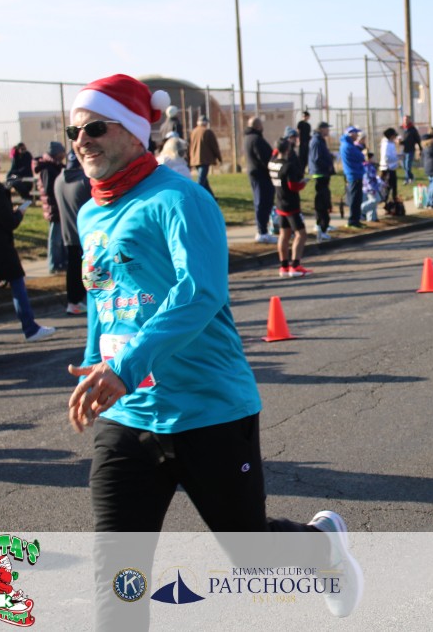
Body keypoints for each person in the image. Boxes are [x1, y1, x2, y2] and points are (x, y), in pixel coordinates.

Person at [63, 74, 361, 629]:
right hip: (129, 418)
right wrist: (96, 366)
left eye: (96, 128)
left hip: (208, 409)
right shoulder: (90, 212)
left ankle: (323, 547)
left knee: (252, 554)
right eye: (74, 130)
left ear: (133, 131)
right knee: (117, 578)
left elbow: (198, 292)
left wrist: (124, 367)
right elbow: (103, 298)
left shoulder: (180, 199)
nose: (82, 140)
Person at [0, 154, 56, 342]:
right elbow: (9, 222)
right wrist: (19, 213)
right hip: (1, 247)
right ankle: (30, 328)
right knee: (17, 284)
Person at [269, 127, 312, 277]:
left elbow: (274, 155)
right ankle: (295, 265)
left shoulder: (272, 163)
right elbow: (293, 186)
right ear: (288, 149)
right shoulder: (288, 166)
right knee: (301, 234)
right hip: (291, 204)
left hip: (280, 202)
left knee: (284, 234)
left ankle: (284, 266)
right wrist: (303, 183)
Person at [54, 151, 91, 315]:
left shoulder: (58, 180)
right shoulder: (85, 181)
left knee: (73, 267)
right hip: (85, 233)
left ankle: (73, 301)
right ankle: (76, 301)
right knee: (85, 269)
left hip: (67, 231)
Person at [34, 141, 68, 274]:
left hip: (57, 206)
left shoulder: (54, 167)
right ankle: (54, 264)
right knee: (55, 238)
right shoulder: (47, 169)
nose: (64, 154)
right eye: (62, 152)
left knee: (60, 237)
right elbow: (49, 190)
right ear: (56, 153)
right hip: (54, 207)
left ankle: (60, 262)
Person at [244, 116, 277, 243]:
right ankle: (262, 231)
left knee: (261, 202)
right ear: (258, 126)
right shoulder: (256, 140)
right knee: (263, 202)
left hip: (255, 174)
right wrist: (273, 166)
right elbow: (265, 158)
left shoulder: (248, 138)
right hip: (261, 175)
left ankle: (263, 230)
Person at [308, 121, 334, 240]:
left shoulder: (320, 140)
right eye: (327, 128)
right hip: (320, 173)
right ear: (321, 129)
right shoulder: (316, 141)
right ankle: (320, 224)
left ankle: (323, 224)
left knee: (324, 199)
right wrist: (327, 166)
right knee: (322, 200)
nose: (328, 130)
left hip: (323, 173)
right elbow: (316, 158)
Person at [188, 114, 221, 195]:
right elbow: (214, 146)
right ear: (205, 123)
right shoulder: (207, 132)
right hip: (204, 159)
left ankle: (212, 197)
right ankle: (195, 195)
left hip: (194, 159)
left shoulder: (193, 132)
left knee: (204, 181)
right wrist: (219, 157)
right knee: (201, 181)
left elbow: (189, 146)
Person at [339, 125, 365, 228]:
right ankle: (353, 220)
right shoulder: (348, 146)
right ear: (350, 134)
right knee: (355, 199)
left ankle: (356, 219)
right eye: (355, 133)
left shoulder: (348, 144)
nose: (357, 135)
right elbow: (361, 156)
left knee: (357, 198)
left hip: (355, 173)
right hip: (354, 174)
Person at [378, 127, 399, 205]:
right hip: (387, 168)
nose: (395, 137)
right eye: (394, 136)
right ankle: (385, 202)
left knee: (393, 187)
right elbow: (386, 158)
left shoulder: (391, 143)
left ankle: (393, 202)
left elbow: (392, 155)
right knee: (387, 187)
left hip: (392, 168)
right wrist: (396, 158)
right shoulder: (386, 144)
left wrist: (397, 156)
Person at [361, 152, 383, 222]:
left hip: (373, 187)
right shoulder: (366, 166)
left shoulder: (370, 166)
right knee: (376, 200)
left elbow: (374, 177)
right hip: (370, 188)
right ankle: (361, 209)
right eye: (373, 158)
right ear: (369, 158)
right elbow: (367, 178)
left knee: (373, 202)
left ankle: (372, 218)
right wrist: (371, 187)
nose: (374, 159)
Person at [400, 116, 421, 184]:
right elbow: (399, 137)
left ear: (409, 120)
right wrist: (398, 141)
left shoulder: (413, 129)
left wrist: (420, 148)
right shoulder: (401, 129)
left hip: (410, 149)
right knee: (403, 165)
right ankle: (411, 177)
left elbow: (417, 139)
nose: (405, 121)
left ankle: (407, 179)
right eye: (404, 119)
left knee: (407, 166)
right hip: (403, 149)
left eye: (407, 119)